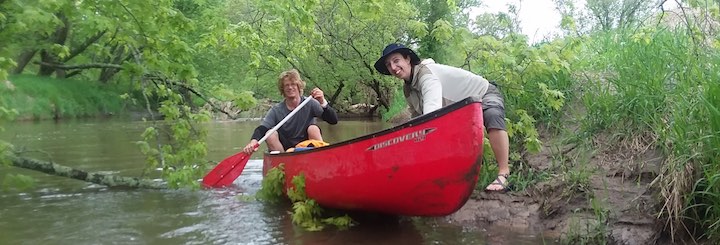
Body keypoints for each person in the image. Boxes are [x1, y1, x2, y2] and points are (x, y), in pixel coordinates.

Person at [374, 43, 512, 192]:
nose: (393, 67)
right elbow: (415, 119)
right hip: (460, 109)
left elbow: (431, 118)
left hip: (484, 93)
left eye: (396, 61)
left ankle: (503, 173)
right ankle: (453, 177)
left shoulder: (426, 76)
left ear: (407, 59)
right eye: (388, 65)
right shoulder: (407, 88)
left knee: (492, 115)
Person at [243, 69, 338, 154]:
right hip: (285, 149)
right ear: (283, 89)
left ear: (298, 86)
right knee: (270, 134)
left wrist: (322, 102)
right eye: (286, 85)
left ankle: (319, 157)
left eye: (293, 84)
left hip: (307, 147)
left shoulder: (310, 103)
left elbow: (333, 120)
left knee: (313, 128)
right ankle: (283, 164)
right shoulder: (276, 110)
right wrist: (253, 141)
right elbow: (262, 128)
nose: (290, 88)